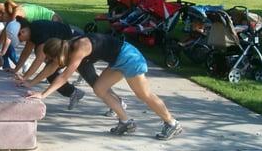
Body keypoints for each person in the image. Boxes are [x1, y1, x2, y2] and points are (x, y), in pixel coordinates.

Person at [25, 33, 183, 140]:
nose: (51, 61)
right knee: (99, 88)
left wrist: (43, 95)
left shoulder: (80, 47)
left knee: (144, 95)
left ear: (58, 53)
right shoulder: (68, 46)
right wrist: (30, 82)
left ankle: (172, 123)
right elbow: (53, 67)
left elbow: (65, 75)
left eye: (51, 58)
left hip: (130, 58)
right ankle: (126, 122)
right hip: (118, 59)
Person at [11, 17, 86, 110]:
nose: (21, 41)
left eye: (20, 39)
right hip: (66, 44)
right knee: (51, 72)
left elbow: (39, 59)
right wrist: (16, 70)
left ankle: (79, 81)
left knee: (52, 71)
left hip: (74, 40)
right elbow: (26, 52)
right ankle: (76, 88)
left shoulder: (39, 33)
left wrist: (26, 79)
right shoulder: (32, 30)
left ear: (22, 32)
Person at [0, 0, 63, 69]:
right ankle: (52, 71)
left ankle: (55, 70)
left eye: (2, 20)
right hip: (43, 24)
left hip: (53, 21)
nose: (3, 22)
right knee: (33, 49)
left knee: (44, 52)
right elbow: (5, 32)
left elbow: (8, 37)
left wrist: (2, 52)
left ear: (2, 14)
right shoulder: (14, 14)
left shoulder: (16, 14)